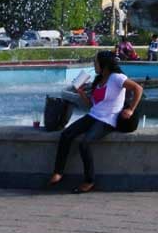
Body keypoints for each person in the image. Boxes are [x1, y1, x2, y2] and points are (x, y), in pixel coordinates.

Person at [46, 50, 143, 193]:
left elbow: (138, 88)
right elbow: (92, 105)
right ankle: (58, 172)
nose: (94, 64)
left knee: (85, 143)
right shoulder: (99, 80)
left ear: (104, 64)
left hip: (108, 120)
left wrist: (131, 110)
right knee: (66, 134)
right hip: (94, 115)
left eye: (95, 62)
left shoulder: (117, 78)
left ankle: (89, 180)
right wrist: (80, 92)